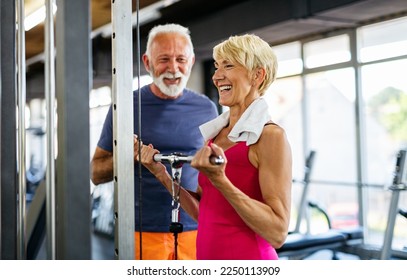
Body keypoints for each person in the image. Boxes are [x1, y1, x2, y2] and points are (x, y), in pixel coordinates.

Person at [135, 34, 292, 260]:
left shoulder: (270, 136)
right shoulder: (216, 136)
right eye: (217, 67)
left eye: (228, 66)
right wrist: (162, 175)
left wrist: (220, 180)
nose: (217, 76)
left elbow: (277, 233)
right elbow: (205, 212)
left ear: (257, 75)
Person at [90, 23, 219, 260]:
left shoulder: (207, 108)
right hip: (142, 230)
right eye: (164, 60)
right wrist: (126, 157)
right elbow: (96, 173)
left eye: (181, 59)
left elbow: (216, 170)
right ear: (147, 63)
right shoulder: (126, 106)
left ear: (191, 61)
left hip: (198, 227)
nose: (173, 68)